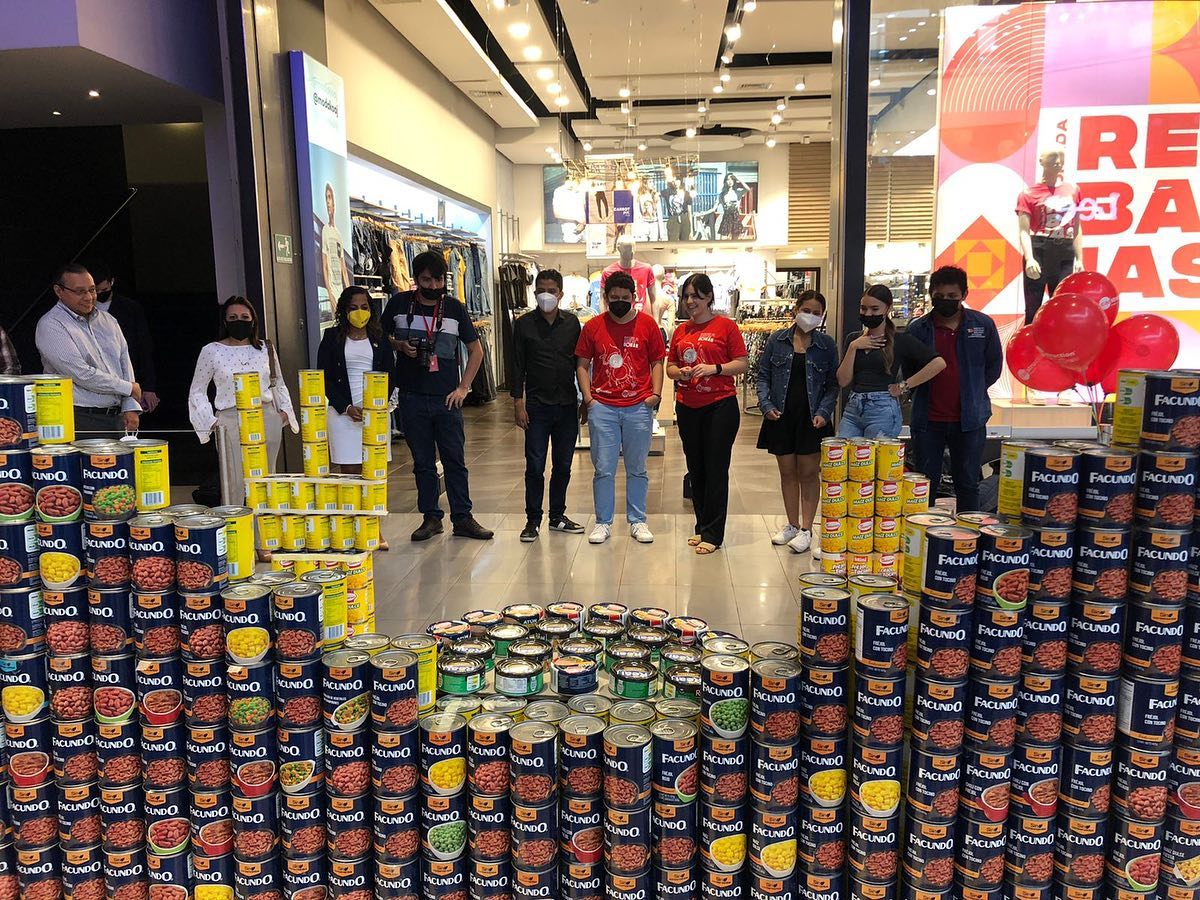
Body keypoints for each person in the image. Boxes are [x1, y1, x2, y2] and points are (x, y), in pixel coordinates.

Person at [381, 251, 493, 542]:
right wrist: (399, 345)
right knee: (423, 462)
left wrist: (463, 388)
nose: (433, 285)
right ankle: (431, 517)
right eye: (426, 279)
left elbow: (476, 350)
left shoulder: (454, 308)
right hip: (412, 396)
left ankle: (463, 517)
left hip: (447, 398)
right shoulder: (398, 304)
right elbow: (378, 338)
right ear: (416, 279)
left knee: (455, 460)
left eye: (439, 279)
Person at [576, 272, 666, 545]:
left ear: (634, 298)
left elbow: (657, 362)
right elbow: (581, 363)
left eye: (624, 298)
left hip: (638, 406)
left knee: (637, 467)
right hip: (602, 406)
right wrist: (589, 398)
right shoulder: (593, 327)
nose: (619, 302)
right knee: (603, 468)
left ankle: (638, 520)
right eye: (613, 297)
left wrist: (656, 394)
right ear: (605, 298)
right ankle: (603, 522)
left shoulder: (648, 325)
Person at [188, 296, 299, 513]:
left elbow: (279, 383)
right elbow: (197, 390)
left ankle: (264, 540)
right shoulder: (211, 350)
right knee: (234, 482)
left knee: (265, 481)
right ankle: (237, 536)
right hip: (229, 420)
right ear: (225, 321)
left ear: (253, 320)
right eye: (233, 317)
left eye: (244, 317)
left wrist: (283, 414)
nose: (239, 321)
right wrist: (210, 422)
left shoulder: (266, 348)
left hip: (265, 416)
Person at [906, 266, 1003, 512]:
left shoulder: (983, 325)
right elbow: (908, 371)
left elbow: (993, 367)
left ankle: (965, 540)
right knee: (924, 484)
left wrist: (974, 390)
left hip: (969, 420)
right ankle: (923, 538)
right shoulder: (917, 329)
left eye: (952, 296)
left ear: (964, 294)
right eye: (940, 296)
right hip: (928, 421)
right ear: (930, 294)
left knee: (968, 483)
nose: (946, 301)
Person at [666, 274, 748, 554]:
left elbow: (742, 363)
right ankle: (701, 526)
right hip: (687, 406)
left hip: (720, 406)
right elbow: (670, 368)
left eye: (697, 296)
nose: (690, 302)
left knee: (716, 469)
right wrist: (682, 373)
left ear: (710, 297)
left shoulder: (726, 326)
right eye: (687, 296)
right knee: (696, 468)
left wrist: (715, 368)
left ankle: (714, 533)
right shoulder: (680, 331)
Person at [756, 290, 839, 554]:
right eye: (807, 310)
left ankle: (806, 528)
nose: (811, 317)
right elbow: (762, 376)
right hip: (780, 415)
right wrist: (766, 405)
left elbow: (831, 386)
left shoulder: (826, 345)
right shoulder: (776, 340)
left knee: (808, 473)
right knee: (787, 472)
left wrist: (825, 412)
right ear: (795, 310)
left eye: (817, 313)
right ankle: (791, 524)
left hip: (812, 418)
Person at [512, 270, 585, 543]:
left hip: (567, 404)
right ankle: (532, 520)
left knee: (564, 464)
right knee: (534, 465)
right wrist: (518, 402)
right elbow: (517, 365)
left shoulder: (572, 323)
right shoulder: (523, 325)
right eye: (541, 290)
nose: (546, 295)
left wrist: (585, 400)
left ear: (560, 294)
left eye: (551, 290)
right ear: (534, 293)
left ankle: (557, 516)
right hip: (537, 405)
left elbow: (580, 363)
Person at [37, 263, 143, 435]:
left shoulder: (108, 320)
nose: (88, 297)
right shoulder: (51, 325)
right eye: (80, 292)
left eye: (92, 290)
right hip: (79, 417)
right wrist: (128, 388)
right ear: (59, 291)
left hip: (116, 416)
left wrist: (130, 405)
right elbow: (80, 373)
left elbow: (124, 362)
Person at [836, 285, 946, 439]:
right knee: (847, 458)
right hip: (853, 407)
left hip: (882, 407)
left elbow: (938, 363)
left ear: (887, 309)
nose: (868, 313)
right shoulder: (853, 339)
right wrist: (853, 347)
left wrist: (904, 386)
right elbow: (843, 380)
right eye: (863, 308)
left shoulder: (899, 340)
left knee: (879, 461)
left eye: (874, 309)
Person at [318, 286, 397, 471]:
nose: (359, 312)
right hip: (343, 414)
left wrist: (375, 405)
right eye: (353, 308)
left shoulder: (381, 338)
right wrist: (345, 407)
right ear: (344, 311)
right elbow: (324, 377)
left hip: (374, 412)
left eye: (364, 307)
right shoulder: (332, 337)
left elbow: (390, 375)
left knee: (375, 471)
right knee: (350, 473)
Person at [88, 260, 158, 412]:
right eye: (95, 291)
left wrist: (148, 386)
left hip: (129, 376)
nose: (100, 295)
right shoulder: (82, 311)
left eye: (104, 289)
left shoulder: (130, 309)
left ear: (112, 282)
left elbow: (144, 348)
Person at [322, 184, 351, 315]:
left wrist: (351, 293)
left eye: (330, 198)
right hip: (333, 289)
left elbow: (343, 267)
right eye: (326, 198)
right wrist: (330, 293)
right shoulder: (325, 230)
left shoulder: (338, 234)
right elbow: (325, 266)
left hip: (341, 289)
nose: (328, 202)